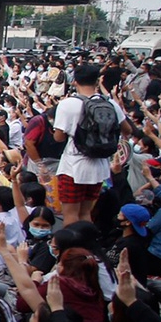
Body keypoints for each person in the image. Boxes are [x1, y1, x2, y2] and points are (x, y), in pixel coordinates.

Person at [52, 63, 132, 223]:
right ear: (97, 81)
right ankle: (84, 245)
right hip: (100, 166)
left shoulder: (68, 104)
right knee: (86, 212)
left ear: (75, 81)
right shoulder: (110, 103)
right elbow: (127, 130)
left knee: (70, 214)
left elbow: (59, 137)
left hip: (73, 166)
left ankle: (71, 246)